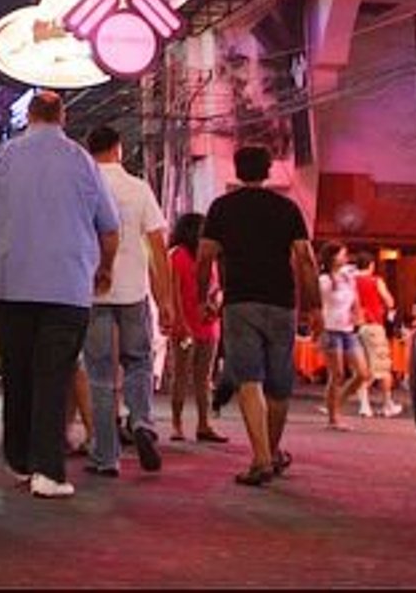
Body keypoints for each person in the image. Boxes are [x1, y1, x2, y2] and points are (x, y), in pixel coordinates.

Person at [0, 92, 117, 499]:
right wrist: (104, 268)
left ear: (28, 117)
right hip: (67, 287)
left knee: (16, 373)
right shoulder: (83, 161)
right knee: (53, 377)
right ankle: (48, 471)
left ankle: (18, 459)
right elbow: (109, 227)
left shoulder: (1, 157)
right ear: (63, 117)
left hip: (8, 285)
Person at [196, 145, 318, 488]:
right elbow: (305, 258)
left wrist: (203, 295)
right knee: (279, 386)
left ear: (237, 169)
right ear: (267, 171)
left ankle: (262, 458)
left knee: (249, 380)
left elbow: (205, 256)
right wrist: (315, 305)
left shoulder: (222, 208)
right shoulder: (287, 208)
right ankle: (272, 452)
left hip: (241, 303)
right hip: (282, 302)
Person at [81, 126, 176, 477]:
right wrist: (164, 298)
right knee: (138, 362)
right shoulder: (138, 189)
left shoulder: (84, 188)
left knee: (100, 376)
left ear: (88, 150)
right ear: (118, 149)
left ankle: (106, 457)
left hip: (93, 292)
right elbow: (157, 246)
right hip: (134, 292)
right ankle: (141, 421)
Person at [166, 213, 224, 444]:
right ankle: (176, 424)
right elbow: (174, 292)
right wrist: (180, 323)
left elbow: (216, 288)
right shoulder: (177, 255)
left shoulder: (208, 257)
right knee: (180, 374)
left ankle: (204, 423)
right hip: (185, 324)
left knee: (204, 377)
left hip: (208, 324)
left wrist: (215, 305)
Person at [317, 242, 365, 432]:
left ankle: (335, 404)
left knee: (363, 373)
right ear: (332, 258)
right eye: (342, 254)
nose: (345, 257)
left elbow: (355, 299)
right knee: (337, 374)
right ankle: (333, 417)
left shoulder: (347, 277)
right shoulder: (324, 281)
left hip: (348, 329)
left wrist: (357, 314)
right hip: (330, 328)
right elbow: (318, 307)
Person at [352, 251, 402, 417]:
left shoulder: (350, 281)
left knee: (362, 368)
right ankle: (387, 404)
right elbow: (389, 301)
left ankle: (364, 406)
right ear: (371, 265)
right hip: (374, 326)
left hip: (355, 327)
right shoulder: (375, 281)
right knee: (382, 368)